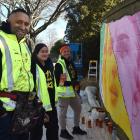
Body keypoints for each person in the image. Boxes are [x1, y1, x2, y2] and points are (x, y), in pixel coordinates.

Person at [0, 8, 51, 140]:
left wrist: (36, 104)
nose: (23, 27)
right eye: (18, 22)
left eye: (26, 24)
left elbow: (29, 77)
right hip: (5, 113)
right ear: (8, 21)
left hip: (23, 110)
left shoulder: (26, 44)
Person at [54, 44, 87, 139]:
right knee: (62, 113)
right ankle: (63, 131)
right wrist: (72, 82)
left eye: (68, 51)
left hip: (72, 91)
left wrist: (76, 83)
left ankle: (76, 128)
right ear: (61, 53)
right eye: (65, 51)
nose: (67, 53)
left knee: (78, 108)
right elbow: (59, 82)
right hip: (64, 93)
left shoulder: (70, 62)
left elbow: (73, 75)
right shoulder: (59, 64)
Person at [30, 43, 59, 140]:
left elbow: (52, 84)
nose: (45, 54)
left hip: (51, 105)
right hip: (38, 106)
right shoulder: (33, 66)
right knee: (36, 133)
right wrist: (35, 103)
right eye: (42, 51)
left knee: (54, 130)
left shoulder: (49, 64)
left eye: (46, 51)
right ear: (36, 53)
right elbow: (32, 87)